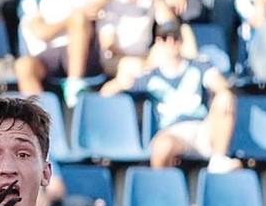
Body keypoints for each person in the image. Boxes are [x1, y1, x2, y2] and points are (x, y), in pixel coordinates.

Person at [102, 19, 238, 170]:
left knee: (225, 97)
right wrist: (121, 82)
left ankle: (218, 159)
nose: (171, 43)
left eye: (175, 38)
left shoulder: (199, 66)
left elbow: (220, 85)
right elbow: (107, 93)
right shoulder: (150, 76)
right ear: (158, 43)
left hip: (203, 128)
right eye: (165, 39)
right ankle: (162, 188)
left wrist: (224, 91)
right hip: (174, 131)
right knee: (162, 146)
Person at [15, 0, 107, 98]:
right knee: (23, 66)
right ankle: (36, 112)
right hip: (45, 57)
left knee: (79, 19)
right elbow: (41, 32)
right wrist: (71, 20)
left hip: (79, 54)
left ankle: (74, 83)